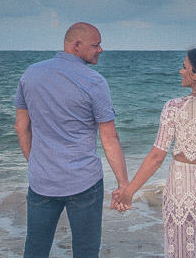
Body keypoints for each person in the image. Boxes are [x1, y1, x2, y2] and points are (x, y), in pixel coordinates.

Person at [13, 22, 129, 258]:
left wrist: (35, 161)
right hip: (83, 182)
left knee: (35, 249)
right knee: (85, 251)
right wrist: (124, 184)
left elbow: (21, 127)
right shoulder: (94, 82)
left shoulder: (31, 73)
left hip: (42, 181)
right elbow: (110, 138)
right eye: (96, 45)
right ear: (77, 45)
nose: (101, 50)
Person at [113, 47, 196, 258]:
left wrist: (128, 191)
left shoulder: (173, 107)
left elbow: (156, 157)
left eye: (184, 67)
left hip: (181, 191)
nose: (180, 71)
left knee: (180, 251)